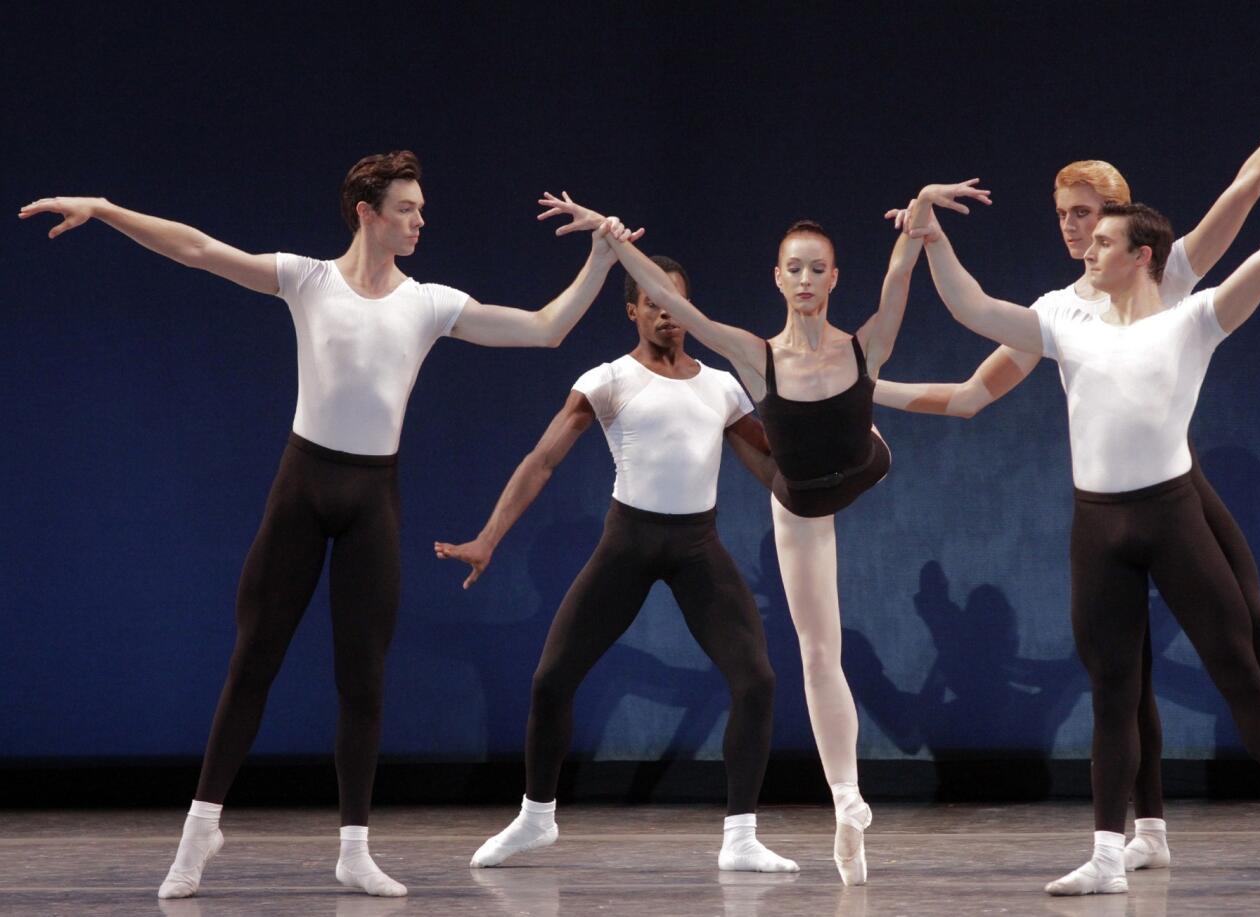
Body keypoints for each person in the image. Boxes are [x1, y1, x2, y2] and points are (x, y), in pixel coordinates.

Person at [18, 153, 636, 899]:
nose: (420, 219)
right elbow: (198, 248)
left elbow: (544, 330)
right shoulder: (306, 279)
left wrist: (602, 258)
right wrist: (107, 206)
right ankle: (199, 829)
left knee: (363, 677)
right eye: (407, 207)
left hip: (374, 496)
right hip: (303, 486)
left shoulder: (429, 303)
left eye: (420, 207)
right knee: (254, 659)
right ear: (366, 212)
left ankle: (354, 845)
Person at [878, 41, 1260, 875]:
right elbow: (972, 378)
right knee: (1121, 675)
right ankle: (1133, 837)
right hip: (1105, 506)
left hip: (1178, 488)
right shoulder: (1061, 314)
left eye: (1086, 217)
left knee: (1250, 641)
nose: (1074, 232)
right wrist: (874, 381)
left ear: (1125, 227)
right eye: (1064, 217)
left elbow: (1252, 200)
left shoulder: (1176, 282)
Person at [532, 189, 962, 884]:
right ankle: (848, 802)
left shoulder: (865, 343)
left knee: (869, 429)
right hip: (802, 500)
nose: (804, 279)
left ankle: (865, 423)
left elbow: (900, 278)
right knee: (821, 649)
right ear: (776, 277)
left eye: (816, 268)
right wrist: (612, 238)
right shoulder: (755, 357)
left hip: (863, 463)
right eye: (792, 268)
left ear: (832, 278)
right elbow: (689, 312)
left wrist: (919, 221)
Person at [434, 251, 797, 873]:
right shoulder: (606, 380)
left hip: (696, 547)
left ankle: (740, 837)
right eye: (653, 302)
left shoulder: (721, 388)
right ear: (632, 311)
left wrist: (828, 486)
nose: (666, 314)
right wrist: (490, 536)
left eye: (675, 302)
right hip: (627, 542)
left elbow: (772, 471)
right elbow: (542, 461)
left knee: (756, 681)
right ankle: (535, 818)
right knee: (551, 680)